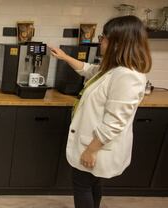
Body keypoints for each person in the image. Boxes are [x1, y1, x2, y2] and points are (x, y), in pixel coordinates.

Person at [50, 15, 151, 208]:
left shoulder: (127, 76)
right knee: (92, 183)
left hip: (96, 146)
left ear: (117, 42)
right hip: (93, 143)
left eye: (103, 38)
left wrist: (91, 150)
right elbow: (90, 70)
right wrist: (64, 57)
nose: (100, 42)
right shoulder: (114, 69)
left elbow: (115, 122)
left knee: (82, 186)